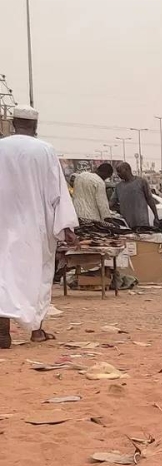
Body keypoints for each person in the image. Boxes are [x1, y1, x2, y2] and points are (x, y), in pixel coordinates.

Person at [0, 105, 79, 348]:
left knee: (3, 276)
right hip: (36, 227)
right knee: (37, 277)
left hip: (3, 224)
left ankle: (3, 332)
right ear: (35, 127)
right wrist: (67, 226)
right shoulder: (45, 150)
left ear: (13, 124)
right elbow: (58, 193)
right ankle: (36, 330)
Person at [110, 162, 159, 230]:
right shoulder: (118, 187)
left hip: (141, 223)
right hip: (127, 224)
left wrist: (156, 216)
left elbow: (150, 199)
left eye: (119, 171)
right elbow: (112, 202)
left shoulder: (141, 182)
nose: (118, 174)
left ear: (127, 170)